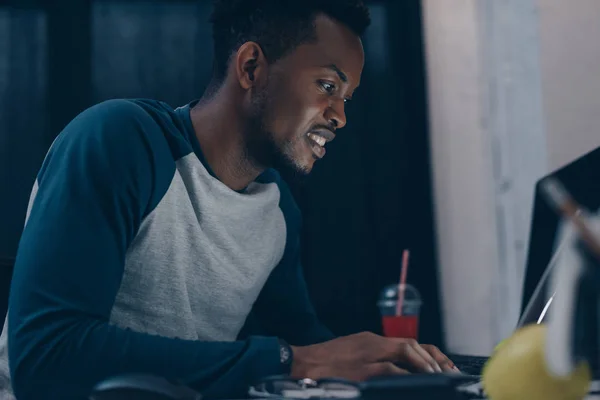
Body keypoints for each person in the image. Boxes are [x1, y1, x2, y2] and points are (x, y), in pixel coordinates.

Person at [0, 0, 457, 398]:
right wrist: (292, 361)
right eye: (327, 86)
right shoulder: (121, 142)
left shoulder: (276, 211)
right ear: (251, 67)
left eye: (347, 98)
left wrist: (393, 371)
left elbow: (308, 350)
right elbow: (45, 358)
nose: (339, 117)